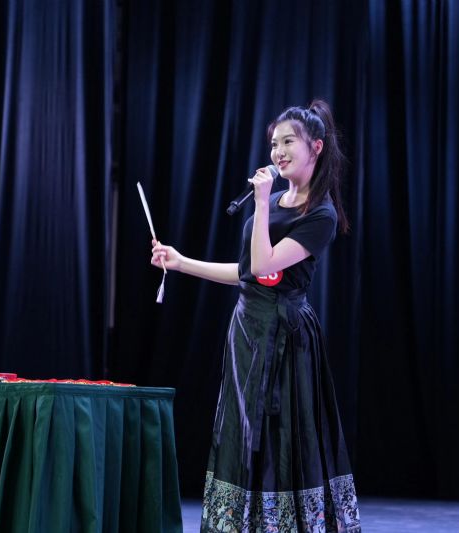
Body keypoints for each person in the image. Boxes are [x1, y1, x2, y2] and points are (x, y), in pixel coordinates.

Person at [151, 100, 361, 531]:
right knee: (243, 435)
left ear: (316, 147)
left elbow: (266, 264)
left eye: (288, 142)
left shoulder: (320, 214)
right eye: (274, 143)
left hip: (284, 336)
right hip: (247, 332)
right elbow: (248, 273)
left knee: (282, 437)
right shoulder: (277, 199)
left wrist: (262, 203)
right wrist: (181, 262)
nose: (278, 152)